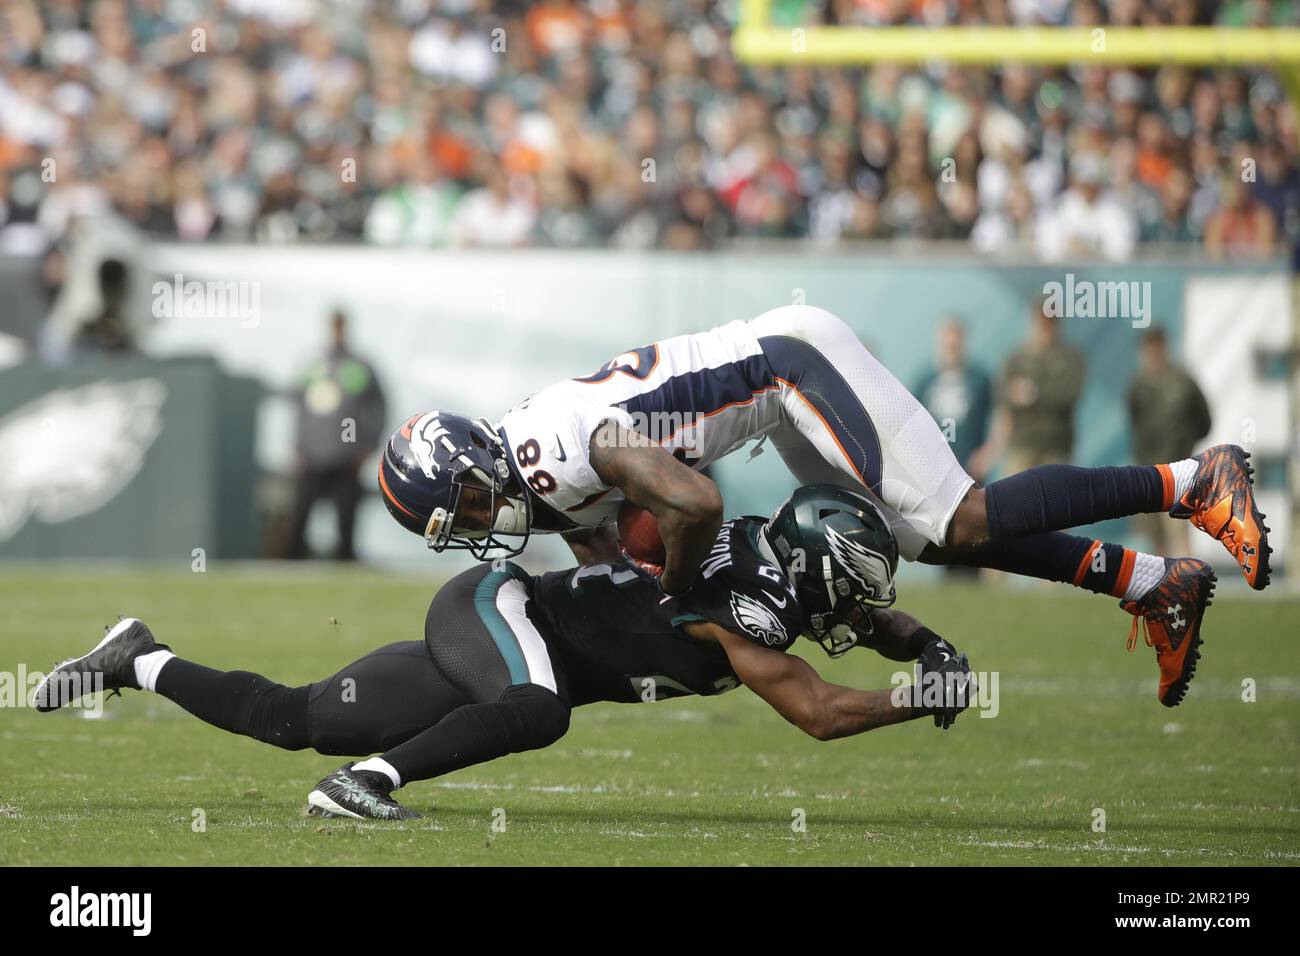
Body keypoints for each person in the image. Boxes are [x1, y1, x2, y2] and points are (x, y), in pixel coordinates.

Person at [34, 487, 982, 820]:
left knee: (299, 718)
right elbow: (817, 712)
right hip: (500, 605)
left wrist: (931, 645)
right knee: (539, 708)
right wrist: (918, 697)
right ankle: (368, 783)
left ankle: (137, 659)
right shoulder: (748, 606)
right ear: (813, 563)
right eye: (852, 579)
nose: (863, 602)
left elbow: (870, 620)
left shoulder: (768, 564)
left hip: (496, 633)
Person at [377, 304, 1271, 604]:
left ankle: (1193, 480)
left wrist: (684, 587)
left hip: (790, 368)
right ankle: (1153, 583)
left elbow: (695, 503)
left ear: (475, 465)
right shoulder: (531, 478)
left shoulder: (555, 451)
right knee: (926, 543)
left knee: (960, 513)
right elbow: (611, 550)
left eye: (466, 506)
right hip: (772, 405)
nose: (478, 525)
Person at [285, 310, 387, 561]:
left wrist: (369, 446)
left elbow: (380, 406)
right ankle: (293, 563)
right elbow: (299, 407)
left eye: (341, 326)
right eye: (334, 326)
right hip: (313, 455)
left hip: (346, 457)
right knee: (299, 514)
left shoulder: (360, 366)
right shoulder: (314, 365)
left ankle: (345, 564)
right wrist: (298, 447)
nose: (337, 331)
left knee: (346, 517)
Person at [1127, 328, 1212, 557]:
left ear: (1164, 346)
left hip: (1177, 470)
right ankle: (1164, 583)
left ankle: (1188, 580)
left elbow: (1204, 419)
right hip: (1148, 469)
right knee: (1154, 533)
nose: (1153, 351)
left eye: (1157, 344)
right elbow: (1134, 419)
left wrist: (1185, 446)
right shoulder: (1139, 384)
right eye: (1148, 345)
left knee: (1177, 527)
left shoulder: (1182, 381)